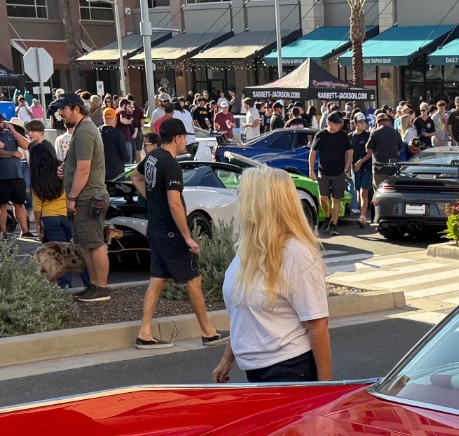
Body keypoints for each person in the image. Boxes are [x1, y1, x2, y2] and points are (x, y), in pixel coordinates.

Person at [213, 164, 332, 383]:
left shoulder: (297, 253)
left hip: (290, 369)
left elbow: (317, 325)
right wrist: (227, 358)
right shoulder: (248, 248)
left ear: (260, 203)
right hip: (254, 369)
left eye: (244, 195)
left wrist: (324, 391)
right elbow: (242, 313)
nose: (239, 202)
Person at [130, 118, 224, 349]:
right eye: (185, 138)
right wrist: (187, 237)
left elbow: (135, 176)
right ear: (178, 138)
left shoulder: (152, 157)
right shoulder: (171, 165)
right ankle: (209, 332)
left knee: (157, 279)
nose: (187, 142)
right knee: (193, 278)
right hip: (170, 232)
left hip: (156, 227)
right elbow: (175, 204)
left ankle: (145, 333)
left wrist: (151, 200)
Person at [54, 91, 111, 303]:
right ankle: (93, 285)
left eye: (63, 109)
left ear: (76, 109)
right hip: (83, 198)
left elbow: (84, 169)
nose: (60, 113)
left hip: (88, 198)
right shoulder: (82, 129)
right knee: (85, 244)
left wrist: (71, 197)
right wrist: (65, 169)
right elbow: (79, 165)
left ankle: (101, 288)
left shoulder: (85, 131)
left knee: (95, 244)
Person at [0, 112, 31, 237]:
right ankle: (3, 232)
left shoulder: (10, 134)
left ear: (4, 121)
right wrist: (13, 153)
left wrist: (14, 131)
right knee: (2, 205)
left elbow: (26, 145)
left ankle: (25, 230)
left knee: (19, 204)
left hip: (17, 175)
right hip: (0, 177)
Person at [308, 111, 352, 237]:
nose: (339, 126)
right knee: (323, 197)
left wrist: (347, 168)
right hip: (323, 172)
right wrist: (311, 169)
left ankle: (334, 225)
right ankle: (327, 216)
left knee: (336, 199)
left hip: (339, 172)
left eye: (340, 123)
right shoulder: (321, 135)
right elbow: (313, 152)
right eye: (337, 123)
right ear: (328, 123)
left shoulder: (343, 135)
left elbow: (350, 152)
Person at [99, 108, 131, 184]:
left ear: (103, 119)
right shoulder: (118, 134)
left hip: (100, 174)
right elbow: (125, 156)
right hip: (117, 174)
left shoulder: (96, 132)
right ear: (115, 120)